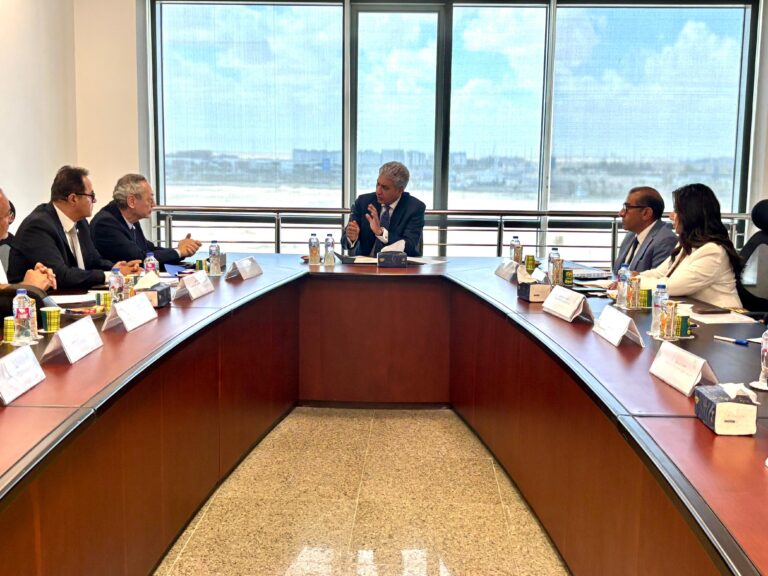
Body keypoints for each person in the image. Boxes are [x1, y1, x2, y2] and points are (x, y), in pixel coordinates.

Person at [8, 165, 141, 290]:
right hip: (38, 301)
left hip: (75, 295)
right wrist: (110, 275)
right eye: (91, 195)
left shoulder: (81, 222)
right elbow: (60, 275)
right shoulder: (38, 226)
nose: (94, 200)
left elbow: (94, 261)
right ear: (73, 199)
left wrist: (116, 269)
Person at [639, 183, 742, 308]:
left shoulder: (713, 251)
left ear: (691, 214)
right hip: (697, 312)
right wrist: (633, 277)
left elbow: (670, 286)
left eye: (676, 211)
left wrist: (635, 281)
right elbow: (660, 273)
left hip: (722, 316)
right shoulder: (687, 244)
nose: (671, 216)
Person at [91, 173, 201, 268]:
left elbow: (148, 249)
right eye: (150, 199)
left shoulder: (130, 217)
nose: (154, 204)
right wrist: (179, 251)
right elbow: (140, 259)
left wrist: (181, 250)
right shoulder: (105, 224)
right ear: (132, 201)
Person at [343, 162, 425, 257]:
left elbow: (410, 246)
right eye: (377, 184)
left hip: (397, 264)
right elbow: (344, 242)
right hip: (365, 263)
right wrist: (351, 238)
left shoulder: (414, 208)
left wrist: (381, 233)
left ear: (400, 190)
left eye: (385, 188)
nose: (378, 191)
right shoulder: (363, 202)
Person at [612, 186, 677, 275]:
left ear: (646, 213)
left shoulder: (666, 240)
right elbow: (617, 273)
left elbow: (657, 280)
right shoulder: (631, 234)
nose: (621, 213)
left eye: (627, 207)